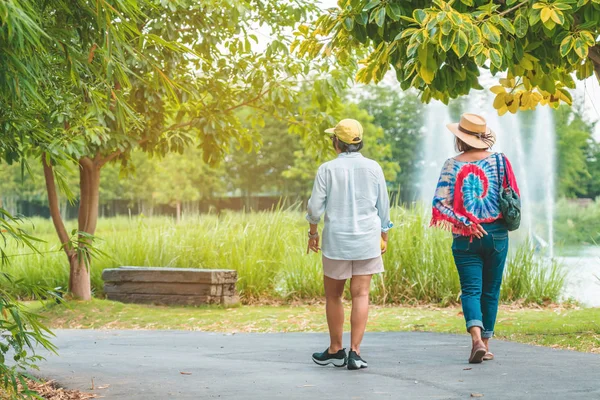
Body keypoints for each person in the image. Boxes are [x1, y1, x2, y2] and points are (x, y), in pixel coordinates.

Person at [431, 113, 520, 364]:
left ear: (460, 139)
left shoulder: (451, 164)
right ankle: (488, 345)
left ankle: (476, 340)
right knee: (490, 291)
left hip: (465, 237)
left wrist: (466, 222)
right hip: (497, 235)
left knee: (471, 290)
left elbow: (439, 203)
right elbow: (512, 195)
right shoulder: (501, 161)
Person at [306, 118, 392, 371]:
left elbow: (314, 207)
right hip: (367, 238)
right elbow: (383, 205)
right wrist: (384, 234)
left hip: (337, 241)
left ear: (337, 143)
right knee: (361, 294)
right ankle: (355, 352)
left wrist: (313, 232)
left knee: (334, 296)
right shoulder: (373, 167)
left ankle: (335, 349)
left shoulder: (327, 169)